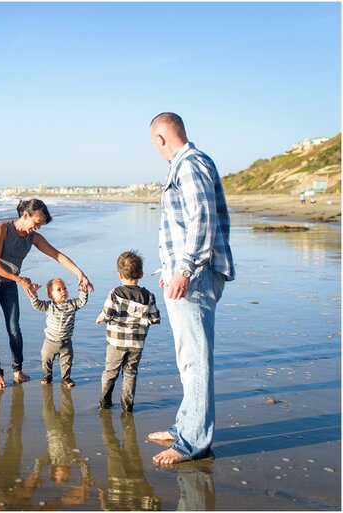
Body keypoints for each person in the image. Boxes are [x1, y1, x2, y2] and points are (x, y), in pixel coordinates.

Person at [148, 112, 235, 465]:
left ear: (160, 138)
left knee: (195, 358)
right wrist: (168, 269)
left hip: (195, 277)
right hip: (185, 274)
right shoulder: (185, 166)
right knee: (188, 357)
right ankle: (185, 426)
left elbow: (202, 220)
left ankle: (193, 443)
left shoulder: (189, 165)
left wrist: (183, 269)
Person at [0, 198, 93, 390]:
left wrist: (80, 273)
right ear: (25, 215)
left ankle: (17, 370)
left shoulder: (33, 238)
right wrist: (20, 280)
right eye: (36, 222)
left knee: (14, 327)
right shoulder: (2, 228)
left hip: (8, 283)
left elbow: (57, 255)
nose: (38, 227)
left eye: (41, 224)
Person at [96, 250, 160, 412]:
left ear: (119, 274)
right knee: (130, 373)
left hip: (116, 342)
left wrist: (101, 317)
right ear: (142, 274)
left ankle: (105, 402)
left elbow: (108, 313)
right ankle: (127, 405)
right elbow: (155, 319)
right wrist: (140, 320)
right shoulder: (148, 296)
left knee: (111, 371)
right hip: (136, 344)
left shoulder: (115, 294)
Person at [29, 278, 89, 387]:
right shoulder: (48, 306)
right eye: (59, 290)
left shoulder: (72, 304)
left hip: (66, 341)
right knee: (46, 359)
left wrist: (84, 292)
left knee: (67, 362)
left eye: (65, 288)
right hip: (50, 341)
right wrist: (33, 295)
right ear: (51, 296)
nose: (63, 291)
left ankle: (66, 378)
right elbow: (37, 305)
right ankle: (47, 376)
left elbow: (81, 302)